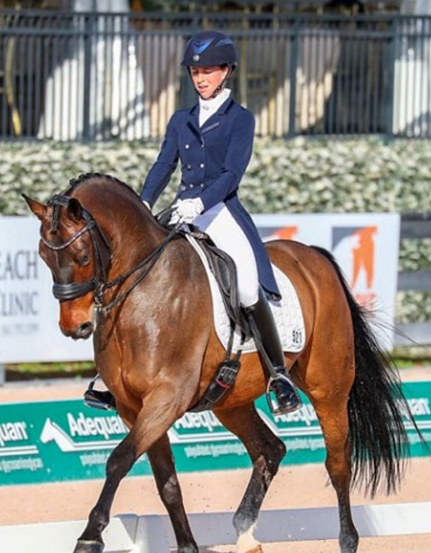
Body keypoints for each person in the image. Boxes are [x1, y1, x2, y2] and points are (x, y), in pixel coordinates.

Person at [85, 30, 301, 415]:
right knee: (134, 271)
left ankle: (278, 375)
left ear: (226, 71)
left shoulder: (241, 119)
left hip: (220, 213)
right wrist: (144, 204)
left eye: (208, 70)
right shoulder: (181, 119)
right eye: (195, 71)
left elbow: (232, 174)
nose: (201, 78)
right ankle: (110, 373)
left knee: (248, 286)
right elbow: (164, 164)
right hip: (180, 209)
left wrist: (200, 202)